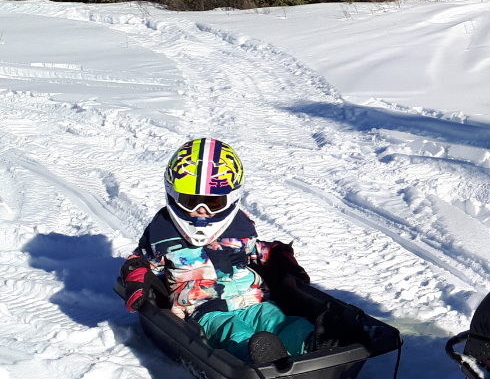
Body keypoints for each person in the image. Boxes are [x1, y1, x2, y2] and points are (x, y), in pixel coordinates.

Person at [118, 138, 356, 365]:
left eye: (212, 204)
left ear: (231, 200)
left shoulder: (239, 227)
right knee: (233, 333)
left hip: (253, 301)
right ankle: (260, 357)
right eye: (191, 201)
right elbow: (141, 263)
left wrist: (278, 256)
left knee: (278, 321)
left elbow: (255, 251)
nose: (202, 212)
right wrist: (137, 279)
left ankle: (314, 342)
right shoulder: (164, 234)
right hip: (206, 310)